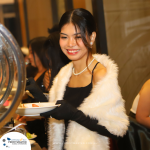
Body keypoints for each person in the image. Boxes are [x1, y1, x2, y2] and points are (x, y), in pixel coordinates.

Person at [38, 8, 129, 150]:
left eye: (78, 37)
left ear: (92, 38)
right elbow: (60, 113)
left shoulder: (100, 74)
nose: (70, 43)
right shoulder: (65, 74)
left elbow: (115, 129)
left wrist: (74, 114)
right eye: (64, 37)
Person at [17, 37, 49, 150]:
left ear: (40, 53)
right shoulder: (35, 72)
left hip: (42, 133)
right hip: (33, 130)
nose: (29, 56)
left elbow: (49, 103)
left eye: (31, 52)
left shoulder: (47, 75)